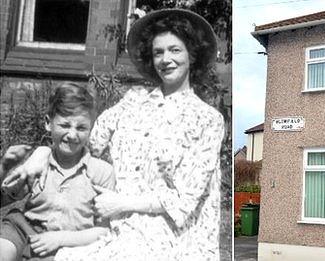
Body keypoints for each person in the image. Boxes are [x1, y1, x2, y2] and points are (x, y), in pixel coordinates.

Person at [14, 9, 225, 261]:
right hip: (113, 222)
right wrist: (42, 152)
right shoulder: (132, 102)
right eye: (158, 52)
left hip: (171, 235)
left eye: (175, 50)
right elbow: (81, 142)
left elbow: (184, 201)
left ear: (192, 54)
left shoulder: (207, 119)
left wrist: (122, 203)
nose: (165, 59)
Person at [0, 82, 116, 261]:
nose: (72, 135)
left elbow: (104, 230)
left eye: (81, 128)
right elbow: (4, 198)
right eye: (64, 125)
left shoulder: (101, 172)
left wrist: (61, 239)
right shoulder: (36, 162)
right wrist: (4, 167)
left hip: (67, 242)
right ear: (48, 123)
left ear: (91, 129)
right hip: (24, 228)